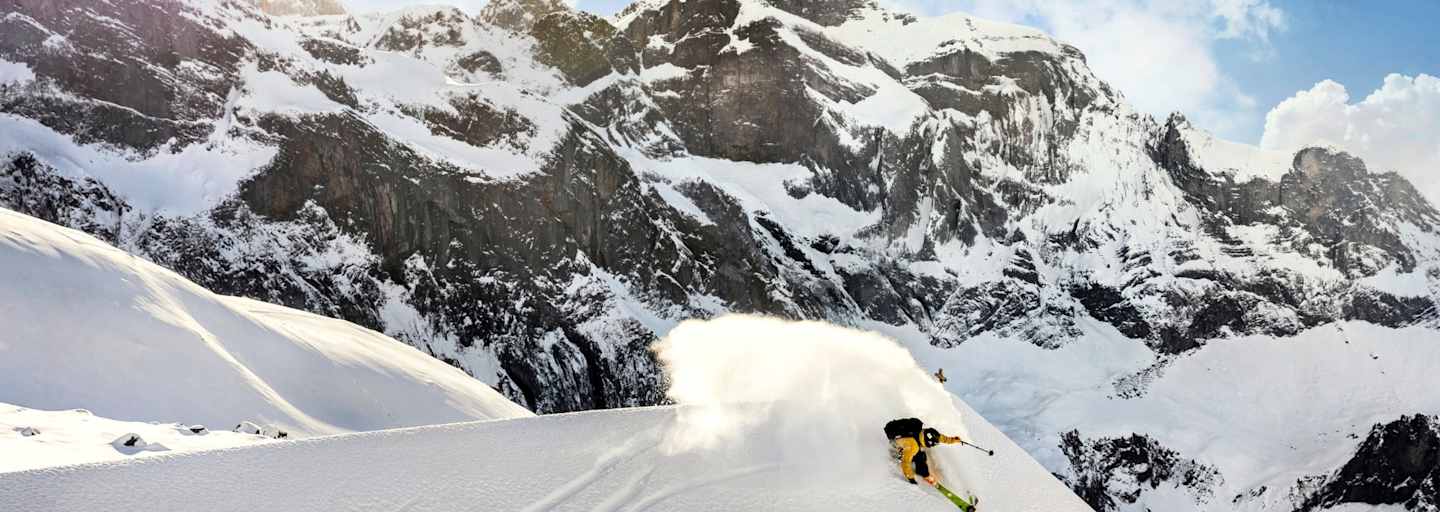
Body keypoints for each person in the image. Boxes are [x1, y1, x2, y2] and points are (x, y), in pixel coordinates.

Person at [885, 418, 967, 485]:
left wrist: (954, 440)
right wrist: (910, 478)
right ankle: (923, 474)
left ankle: (924, 474)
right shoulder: (913, 445)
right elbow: (905, 462)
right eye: (932, 444)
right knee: (919, 457)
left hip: (904, 439)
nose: (932, 446)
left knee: (919, 454)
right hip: (895, 446)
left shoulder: (924, 432)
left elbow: (941, 438)